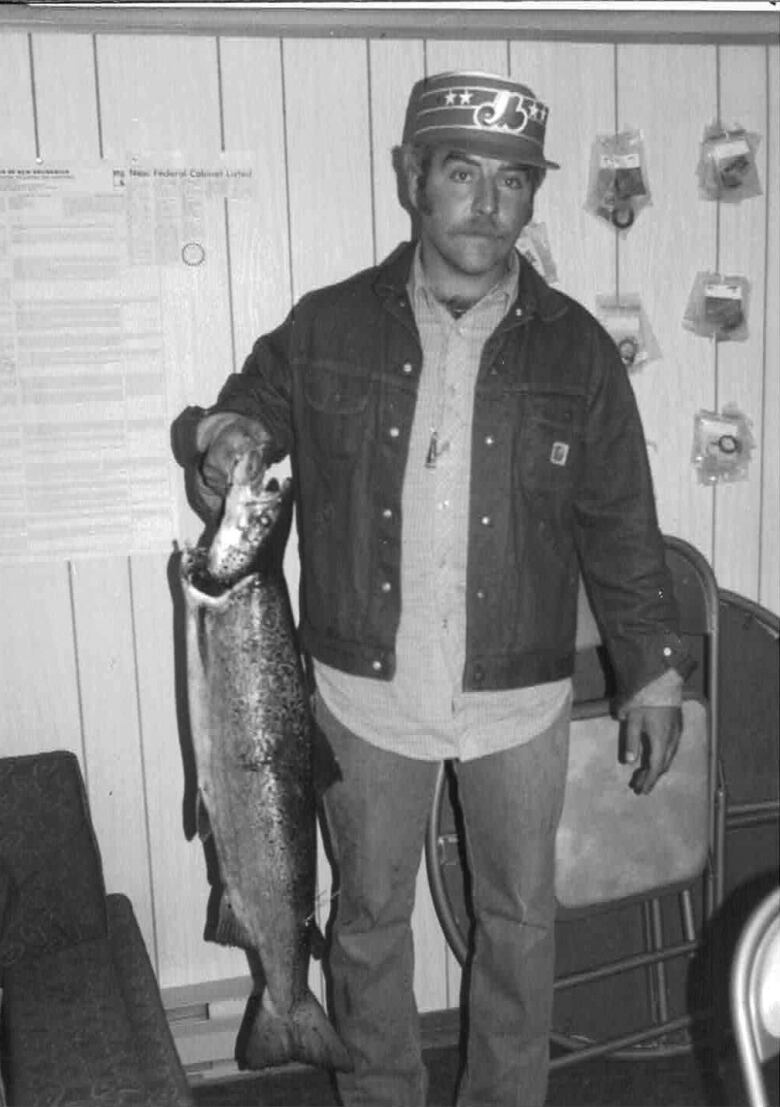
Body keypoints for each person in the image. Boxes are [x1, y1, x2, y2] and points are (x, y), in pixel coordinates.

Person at [173, 70, 694, 1107]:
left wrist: (654, 674)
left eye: (513, 181)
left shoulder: (579, 351)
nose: (487, 205)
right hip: (360, 702)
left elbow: (622, 526)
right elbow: (239, 419)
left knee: (518, 925)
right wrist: (219, 437)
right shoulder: (324, 329)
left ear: (533, 196)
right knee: (365, 925)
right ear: (415, 177)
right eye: (462, 173)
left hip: (520, 703)